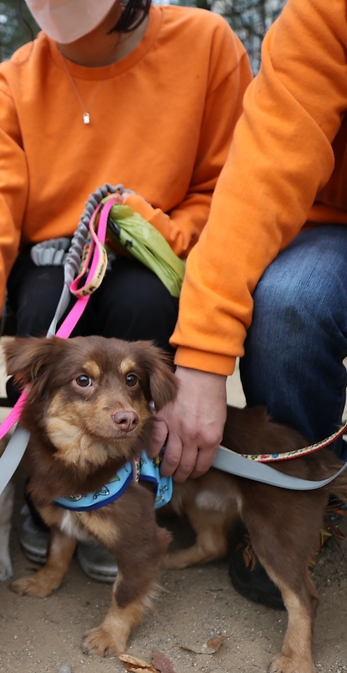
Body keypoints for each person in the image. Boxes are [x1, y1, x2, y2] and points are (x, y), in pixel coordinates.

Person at [0, 0, 250, 579]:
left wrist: (150, 225)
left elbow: (230, 192)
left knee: (142, 303)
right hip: (53, 266)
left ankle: (125, 492)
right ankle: (45, 489)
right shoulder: (9, 86)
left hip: (160, 258)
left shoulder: (206, 43)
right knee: (44, 307)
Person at [151, 0, 347, 607]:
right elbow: (260, 174)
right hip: (332, 227)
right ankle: (308, 491)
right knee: (288, 298)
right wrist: (203, 357)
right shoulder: (326, 13)